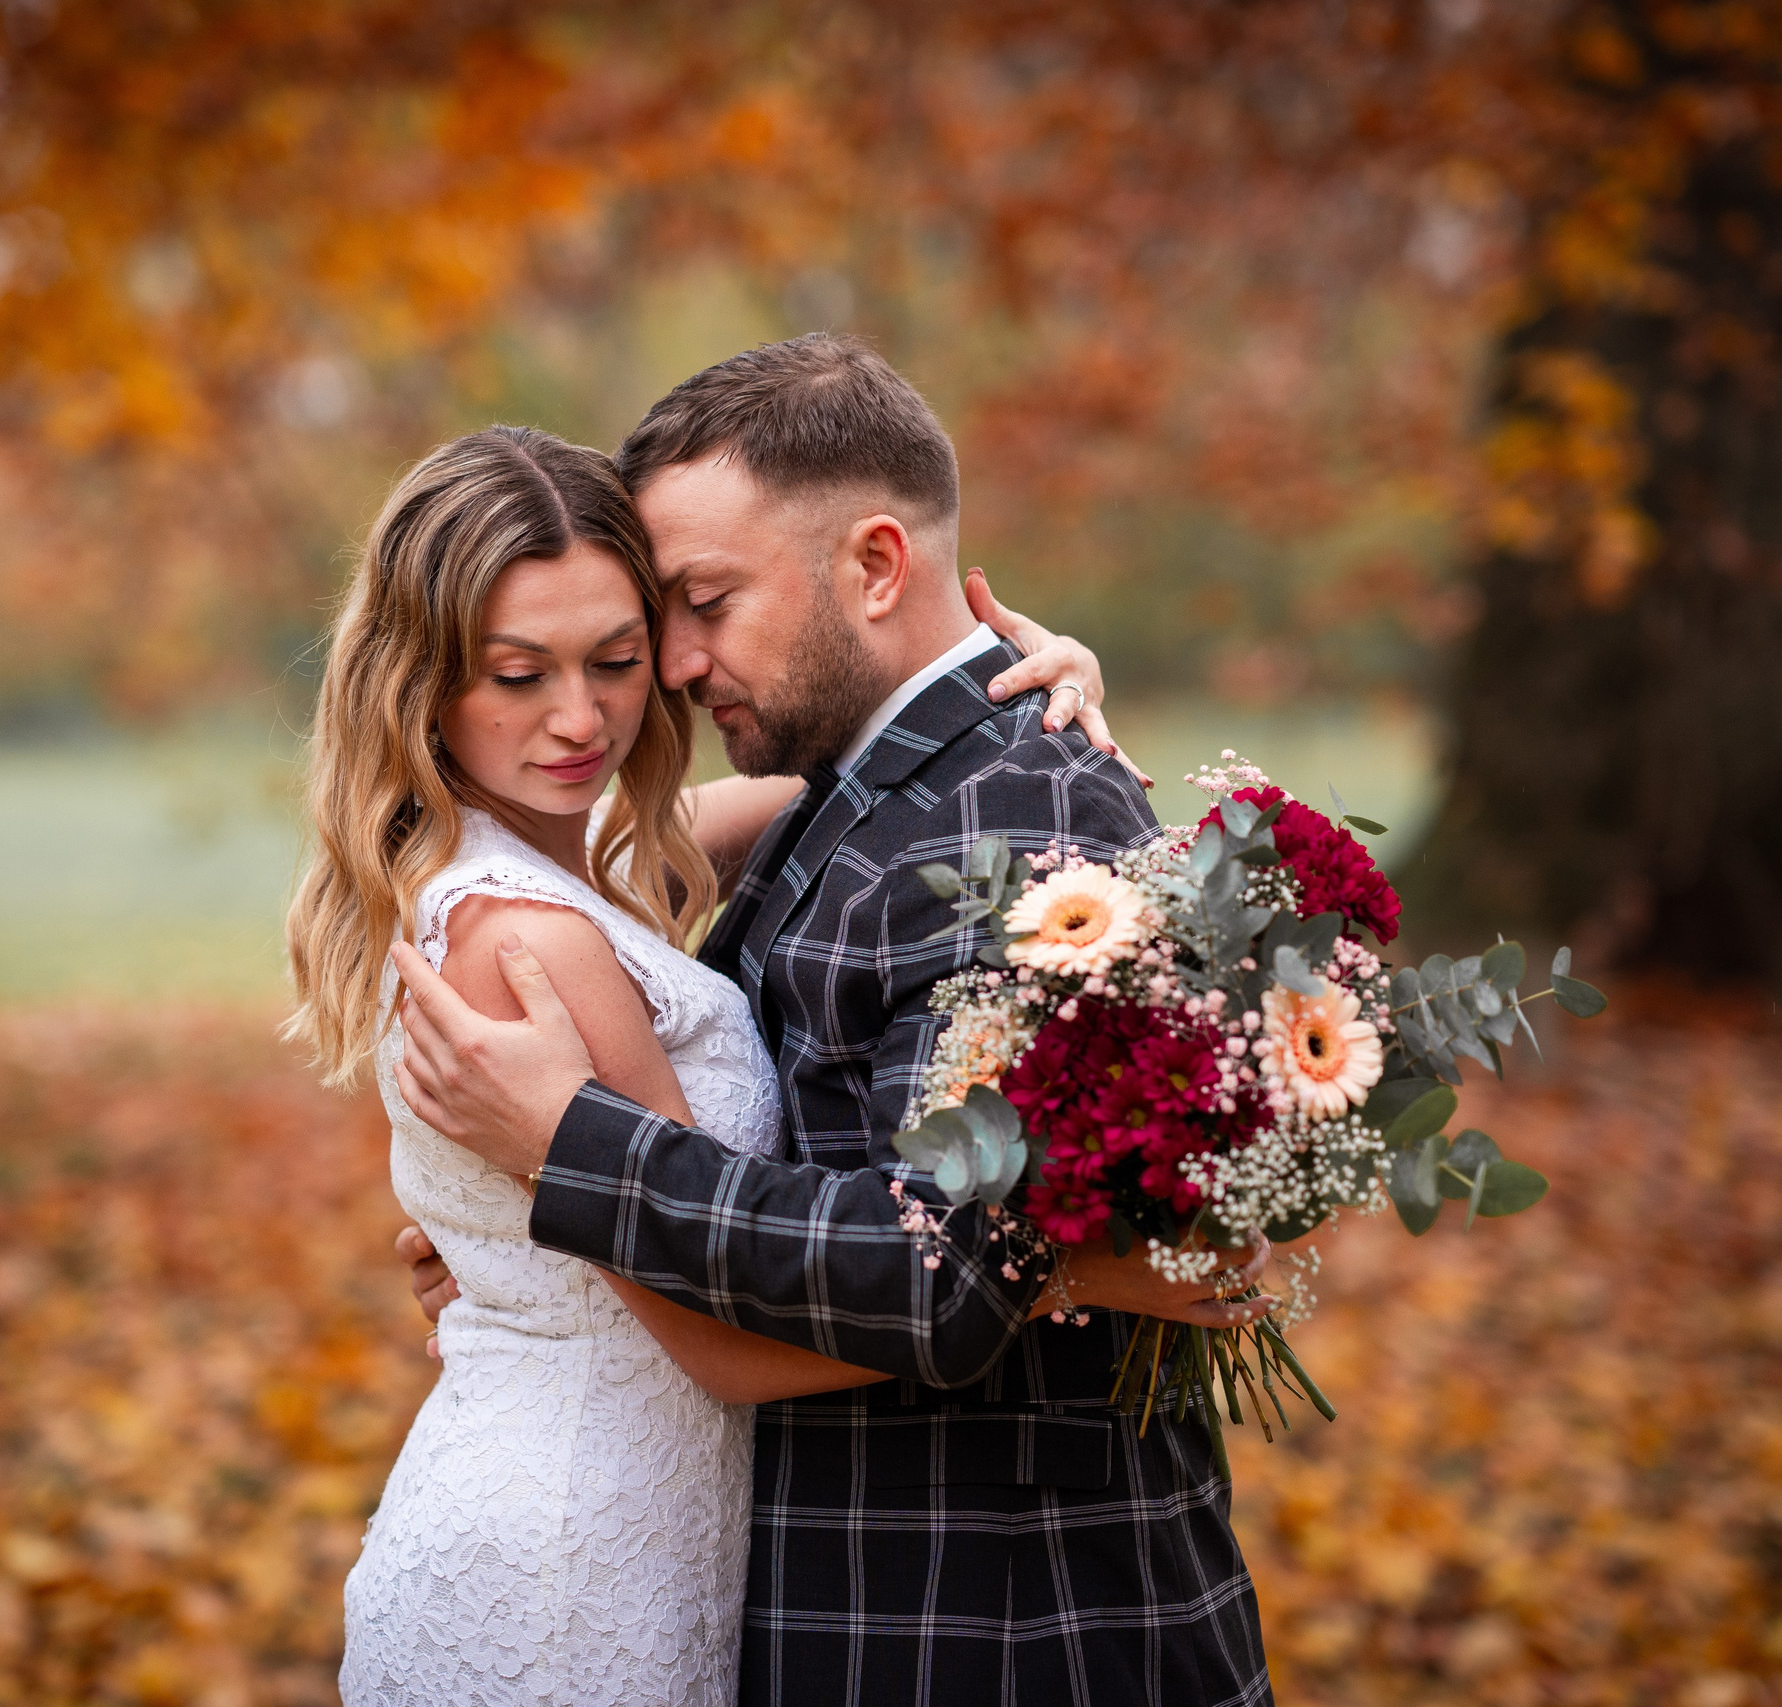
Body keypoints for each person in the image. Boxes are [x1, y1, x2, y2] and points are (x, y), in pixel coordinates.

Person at [390, 335, 1276, 1706]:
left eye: (701, 605)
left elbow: (939, 1272)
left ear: (874, 566)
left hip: (1002, 1632)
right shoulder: (860, 792)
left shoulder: (1003, 815)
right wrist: (513, 1240)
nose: (671, 669)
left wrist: (575, 1158)